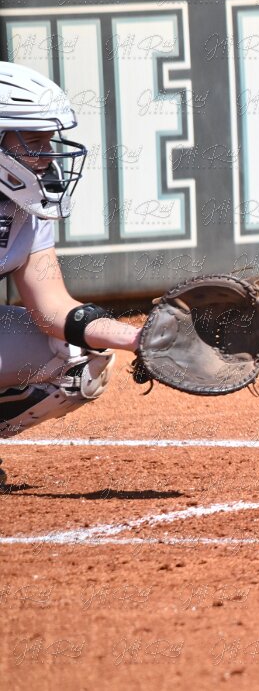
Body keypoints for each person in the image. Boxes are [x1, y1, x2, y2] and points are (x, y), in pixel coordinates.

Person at [0, 62, 142, 488]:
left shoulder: (25, 204)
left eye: (49, 139)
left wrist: (140, 339)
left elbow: (53, 309)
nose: (48, 155)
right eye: (33, 141)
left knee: (78, 355)